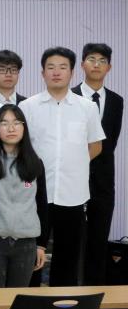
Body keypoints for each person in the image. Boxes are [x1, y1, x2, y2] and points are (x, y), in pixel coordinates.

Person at [21, 46, 104, 286]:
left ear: (72, 72)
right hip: (35, 193)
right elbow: (21, 149)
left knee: (68, 257)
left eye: (62, 67)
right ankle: (31, 303)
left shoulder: (87, 107)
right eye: (51, 67)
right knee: (32, 256)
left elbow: (95, 146)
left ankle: (64, 304)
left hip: (73, 193)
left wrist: (75, 164)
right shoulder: (28, 107)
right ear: (42, 73)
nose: (56, 72)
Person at [0, 104, 49, 288]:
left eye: (16, 123)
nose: (11, 128)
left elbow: (42, 204)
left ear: (24, 127)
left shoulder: (35, 163)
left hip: (26, 243)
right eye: (4, 123)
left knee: (18, 299)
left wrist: (41, 245)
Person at [71, 43, 123, 285]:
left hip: (103, 181)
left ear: (109, 67)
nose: (96, 64)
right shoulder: (69, 96)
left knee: (98, 240)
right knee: (71, 241)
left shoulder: (116, 100)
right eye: (91, 59)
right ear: (82, 64)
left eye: (102, 61)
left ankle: (95, 293)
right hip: (72, 179)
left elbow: (110, 142)